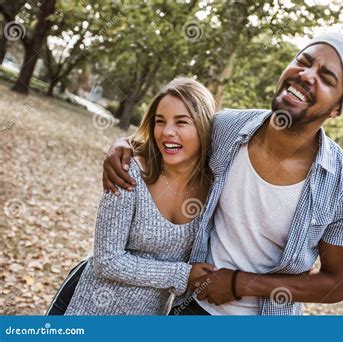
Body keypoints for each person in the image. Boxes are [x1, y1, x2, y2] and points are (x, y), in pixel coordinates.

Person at [52, 32, 343, 315]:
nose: (306, 75)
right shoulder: (225, 128)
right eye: (303, 61)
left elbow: (337, 283)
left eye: (327, 77)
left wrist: (240, 284)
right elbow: (170, 137)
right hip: (188, 307)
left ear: (337, 108)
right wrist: (125, 145)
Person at [47, 77, 217, 315]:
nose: (167, 132)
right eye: (160, 121)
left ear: (203, 126)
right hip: (87, 307)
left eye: (182, 122)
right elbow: (108, 261)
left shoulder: (214, 188)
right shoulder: (128, 172)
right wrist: (183, 275)